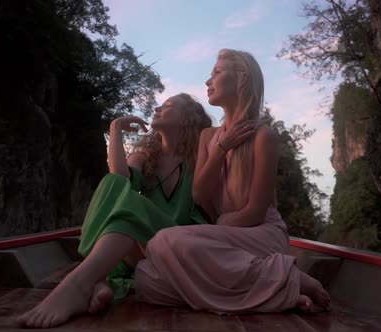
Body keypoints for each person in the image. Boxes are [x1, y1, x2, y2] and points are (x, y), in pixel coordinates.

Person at [134, 49, 331, 314]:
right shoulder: (207, 137)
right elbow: (200, 195)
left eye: (216, 73)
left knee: (161, 242)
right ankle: (274, 288)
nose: (208, 81)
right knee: (146, 279)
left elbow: (255, 212)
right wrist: (222, 148)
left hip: (261, 236)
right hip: (226, 239)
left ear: (242, 79)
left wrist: (218, 226)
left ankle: (286, 277)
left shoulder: (263, 136)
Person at [18, 93, 212, 328]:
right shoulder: (145, 157)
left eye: (169, 105)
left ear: (188, 119)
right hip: (141, 248)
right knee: (116, 184)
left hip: (176, 244)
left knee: (131, 209)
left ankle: (84, 282)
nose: (158, 107)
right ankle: (93, 281)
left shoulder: (201, 159)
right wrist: (115, 128)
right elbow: (120, 178)